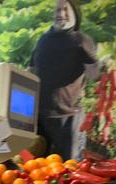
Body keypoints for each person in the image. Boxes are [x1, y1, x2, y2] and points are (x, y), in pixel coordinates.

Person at [30, 0, 101, 160]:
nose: (61, 14)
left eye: (66, 9)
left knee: (69, 167)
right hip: (40, 117)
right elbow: (31, 71)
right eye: (57, 10)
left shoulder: (82, 40)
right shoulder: (43, 40)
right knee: (37, 167)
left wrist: (100, 63)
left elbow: (94, 75)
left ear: (75, 13)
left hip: (69, 118)